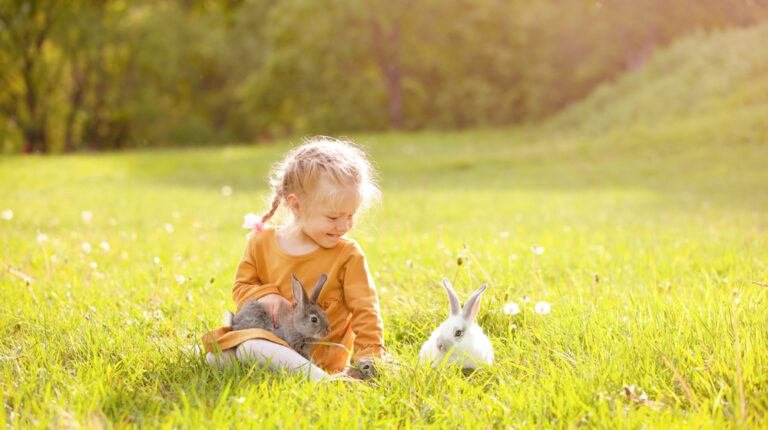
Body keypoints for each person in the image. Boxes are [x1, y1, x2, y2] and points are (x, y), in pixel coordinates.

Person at [201, 136, 386, 381]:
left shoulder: (348, 255)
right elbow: (241, 288)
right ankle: (273, 366)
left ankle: (322, 380)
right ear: (296, 205)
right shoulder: (261, 243)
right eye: (333, 218)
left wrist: (369, 358)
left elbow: (365, 311)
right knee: (215, 356)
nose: (344, 225)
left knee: (249, 348)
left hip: (318, 356)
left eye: (350, 215)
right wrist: (266, 294)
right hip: (270, 339)